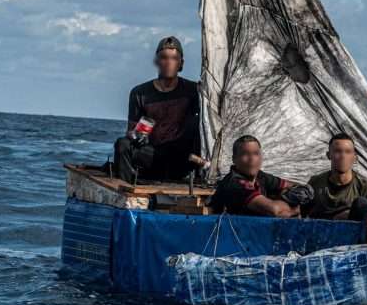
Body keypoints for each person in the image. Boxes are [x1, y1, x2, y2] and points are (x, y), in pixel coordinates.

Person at [113, 36, 199, 183]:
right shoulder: (140, 93)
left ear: (181, 63)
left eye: (174, 58)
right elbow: (131, 130)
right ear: (157, 61)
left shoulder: (193, 91)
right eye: (164, 58)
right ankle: (127, 189)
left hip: (181, 157)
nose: (168, 63)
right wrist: (137, 136)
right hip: (151, 153)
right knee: (122, 145)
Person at [208, 135, 305, 218]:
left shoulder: (260, 176)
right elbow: (274, 211)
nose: (252, 159)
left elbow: (293, 186)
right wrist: (295, 208)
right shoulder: (234, 184)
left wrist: (286, 193)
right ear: (234, 159)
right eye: (245, 154)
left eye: (256, 154)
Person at [305, 133, 367, 220]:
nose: (343, 156)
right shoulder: (315, 183)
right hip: (318, 232)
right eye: (338, 151)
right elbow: (300, 214)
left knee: (361, 204)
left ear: (355, 158)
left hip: (354, 233)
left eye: (348, 152)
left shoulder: (366, 187)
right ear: (329, 155)